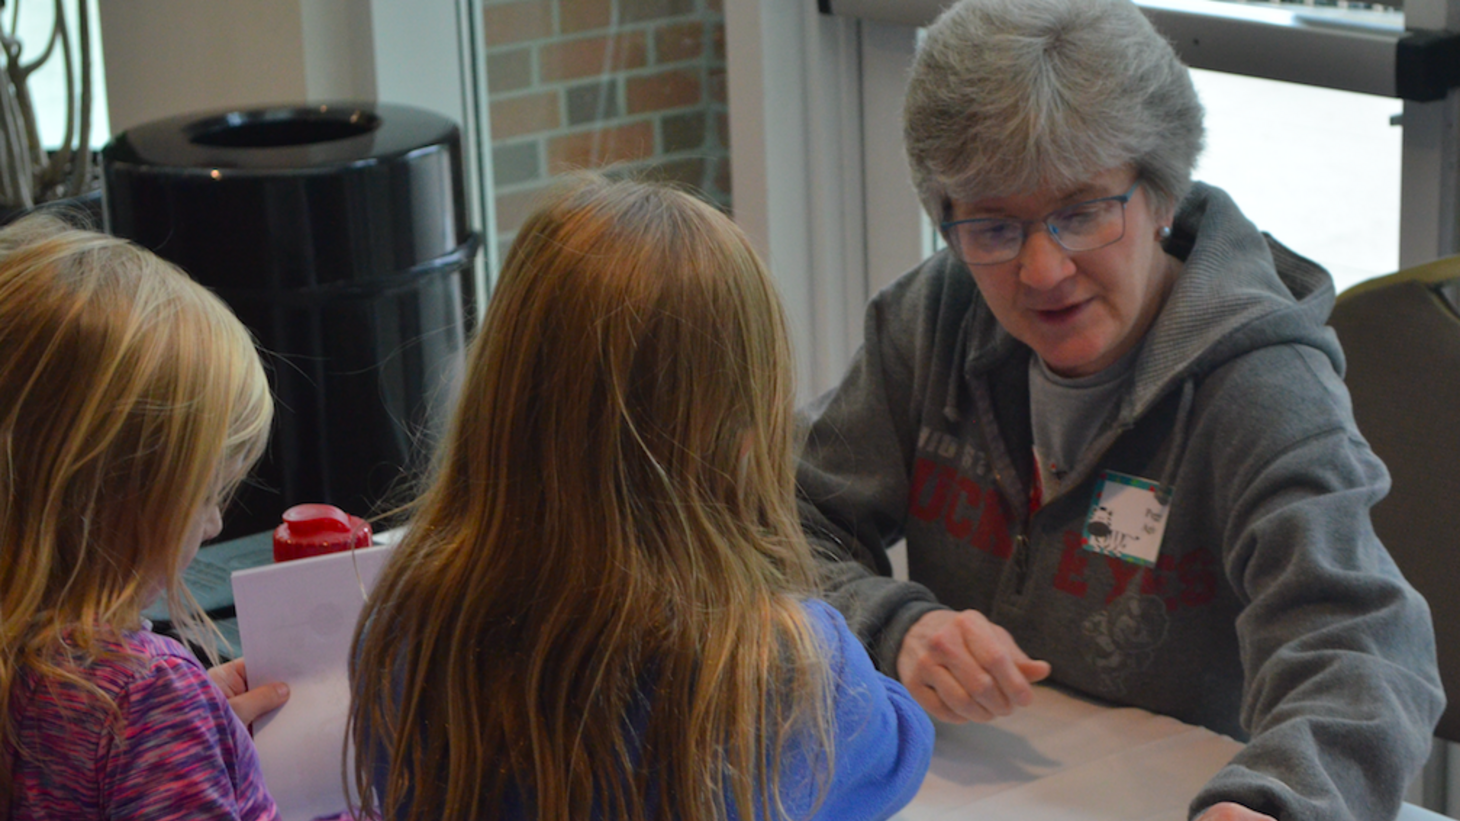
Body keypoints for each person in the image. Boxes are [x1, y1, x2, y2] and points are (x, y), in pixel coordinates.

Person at [795, 1, 1446, 820]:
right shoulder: (935, 318)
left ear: (1162, 191)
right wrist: (890, 623)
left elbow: (1362, 645)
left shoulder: (1260, 384)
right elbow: (773, 519)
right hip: (965, 783)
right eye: (995, 225)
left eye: (1082, 212)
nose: (1041, 270)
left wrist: (1280, 800)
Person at [348, 175, 934, 821]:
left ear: (500, 398)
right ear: (743, 437)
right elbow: (900, 747)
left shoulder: (413, 626)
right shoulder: (782, 667)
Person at [0, 213, 282, 819]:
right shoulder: (143, 693)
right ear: (115, 493)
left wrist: (203, 746)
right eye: (204, 493)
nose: (212, 526)